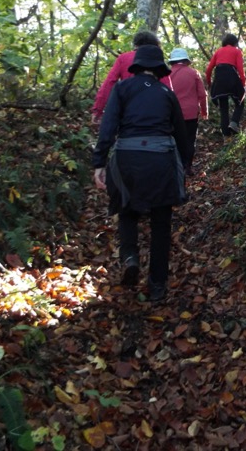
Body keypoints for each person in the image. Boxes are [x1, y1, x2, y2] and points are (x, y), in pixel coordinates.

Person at [92, 39, 188, 303]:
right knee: (161, 222)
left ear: (136, 67)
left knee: (126, 209)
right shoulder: (166, 94)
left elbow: (108, 127)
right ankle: (157, 284)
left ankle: (130, 257)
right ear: (159, 69)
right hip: (160, 162)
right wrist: (185, 167)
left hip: (126, 159)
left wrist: (99, 162)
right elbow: (181, 135)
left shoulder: (122, 89)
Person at [91, 30, 173, 124]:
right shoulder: (156, 60)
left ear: (135, 44)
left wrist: (98, 110)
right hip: (154, 111)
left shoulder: (123, 58)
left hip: (128, 111)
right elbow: (167, 88)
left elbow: (109, 83)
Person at [167, 47, 208, 175]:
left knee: (174, 140)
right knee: (190, 140)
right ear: (186, 61)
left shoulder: (166, 74)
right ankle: (187, 167)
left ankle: (177, 167)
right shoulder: (194, 73)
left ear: (172, 61)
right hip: (191, 113)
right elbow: (202, 94)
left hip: (172, 114)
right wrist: (204, 111)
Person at [205, 33, 246, 136]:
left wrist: (210, 83)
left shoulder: (218, 52)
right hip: (231, 77)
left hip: (219, 79)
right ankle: (234, 123)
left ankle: (226, 137)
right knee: (240, 102)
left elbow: (209, 70)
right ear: (235, 43)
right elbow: (241, 70)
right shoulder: (237, 51)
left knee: (224, 109)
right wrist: (244, 83)